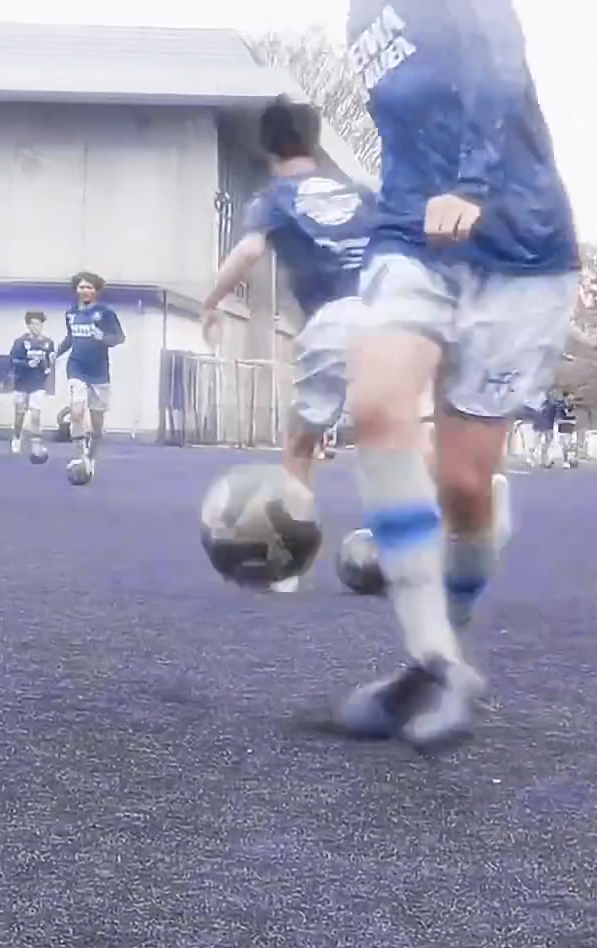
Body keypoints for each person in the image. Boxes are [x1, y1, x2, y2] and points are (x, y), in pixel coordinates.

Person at [327, 0, 580, 750]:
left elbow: (499, 62)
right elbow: (403, 137)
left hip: (521, 252)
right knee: (377, 405)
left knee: (466, 488)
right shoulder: (360, 19)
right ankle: (436, 658)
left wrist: (470, 185)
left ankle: (440, 660)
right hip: (411, 237)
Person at [201, 97, 376, 591]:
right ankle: (402, 543)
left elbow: (249, 251)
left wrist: (211, 301)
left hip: (335, 319)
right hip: (391, 317)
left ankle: (287, 565)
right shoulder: (362, 193)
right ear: (314, 142)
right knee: (387, 435)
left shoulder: (276, 197)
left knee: (301, 443)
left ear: (267, 148)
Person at [55, 272, 125, 465]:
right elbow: (70, 338)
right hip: (76, 367)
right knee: (76, 412)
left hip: (99, 371)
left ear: (96, 291)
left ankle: (91, 456)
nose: (84, 291)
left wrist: (103, 338)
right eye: (81, 287)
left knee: (97, 424)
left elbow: (119, 337)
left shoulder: (105, 312)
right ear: (76, 290)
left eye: (89, 287)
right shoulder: (71, 313)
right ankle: (80, 457)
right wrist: (56, 353)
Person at [8, 311, 56, 456]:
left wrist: (48, 367)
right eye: (34, 324)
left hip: (38, 383)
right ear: (28, 326)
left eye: (39, 324)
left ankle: (36, 445)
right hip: (21, 382)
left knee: (35, 415)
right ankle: (17, 438)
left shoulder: (48, 342)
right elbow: (12, 360)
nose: (37, 327)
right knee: (19, 414)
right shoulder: (20, 342)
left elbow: (49, 360)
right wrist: (27, 364)